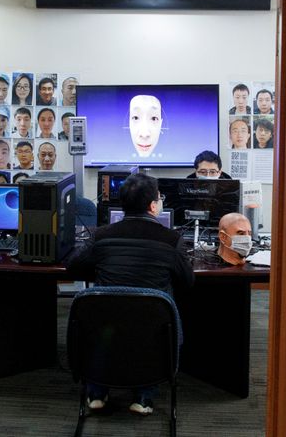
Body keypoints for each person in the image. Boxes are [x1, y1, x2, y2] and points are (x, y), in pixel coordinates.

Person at [67, 173, 194, 416]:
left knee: (107, 324)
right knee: (146, 325)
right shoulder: (172, 239)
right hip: (152, 330)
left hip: (104, 325)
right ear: (153, 206)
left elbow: (74, 267)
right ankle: (144, 397)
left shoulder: (101, 236)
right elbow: (187, 281)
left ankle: (96, 393)